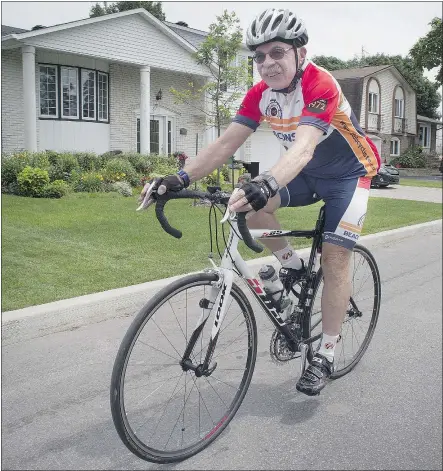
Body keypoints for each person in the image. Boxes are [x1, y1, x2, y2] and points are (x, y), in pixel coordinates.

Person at [139, 8, 381, 396]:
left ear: (300, 53)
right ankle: (295, 267)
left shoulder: (321, 85)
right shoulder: (260, 95)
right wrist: (178, 177)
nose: (267, 63)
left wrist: (265, 181)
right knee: (250, 209)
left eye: (277, 52)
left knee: (336, 259)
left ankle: (327, 353)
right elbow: (224, 144)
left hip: (348, 177)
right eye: (259, 56)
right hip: (306, 174)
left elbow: (303, 148)